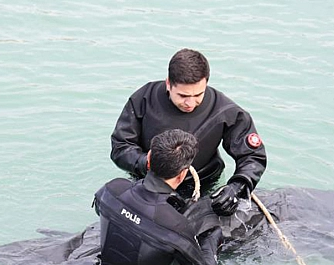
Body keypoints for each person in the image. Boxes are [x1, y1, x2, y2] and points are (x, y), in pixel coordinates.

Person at [110, 48, 267, 216]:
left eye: (198, 94)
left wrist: (236, 187)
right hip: (149, 179)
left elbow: (253, 156)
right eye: (183, 95)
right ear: (168, 83)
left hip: (202, 182)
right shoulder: (143, 99)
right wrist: (145, 162)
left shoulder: (226, 111)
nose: (190, 103)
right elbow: (120, 146)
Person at [93, 129, 223, 265]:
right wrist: (213, 236)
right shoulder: (176, 226)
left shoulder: (112, 189)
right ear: (182, 175)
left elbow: (100, 210)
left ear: (148, 158)